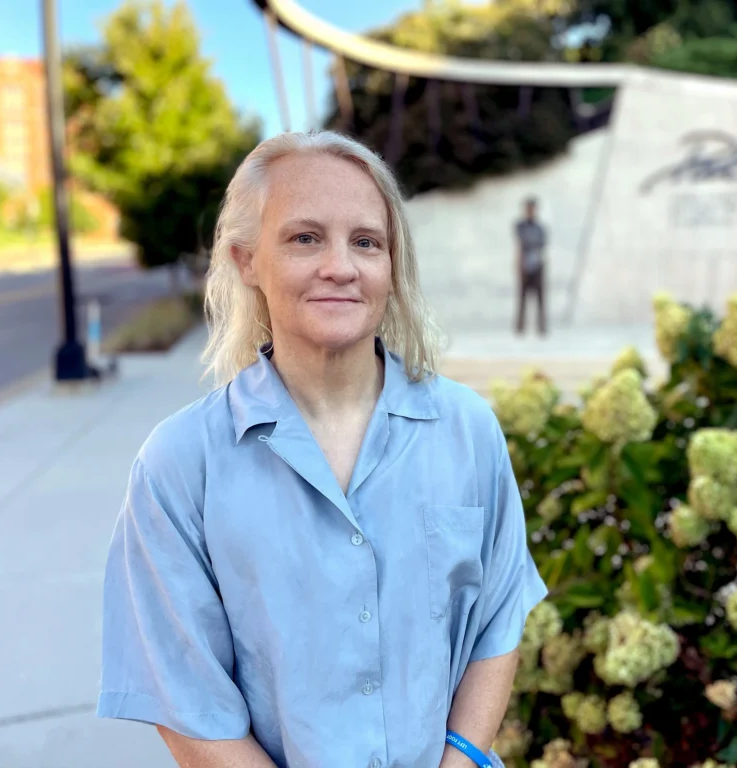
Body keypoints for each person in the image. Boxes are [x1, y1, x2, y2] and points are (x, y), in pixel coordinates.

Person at [96, 131, 548, 768]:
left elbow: (496, 625)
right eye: (305, 238)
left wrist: (461, 759)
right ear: (246, 259)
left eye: (366, 242)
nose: (341, 266)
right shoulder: (179, 465)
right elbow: (185, 700)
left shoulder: (468, 431)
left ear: (392, 267)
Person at [514, 197, 547, 335]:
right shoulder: (520, 226)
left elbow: (541, 244)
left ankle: (542, 327)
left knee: (540, 299)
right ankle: (520, 328)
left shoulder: (540, 228)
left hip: (537, 265)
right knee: (522, 298)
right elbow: (522, 242)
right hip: (524, 265)